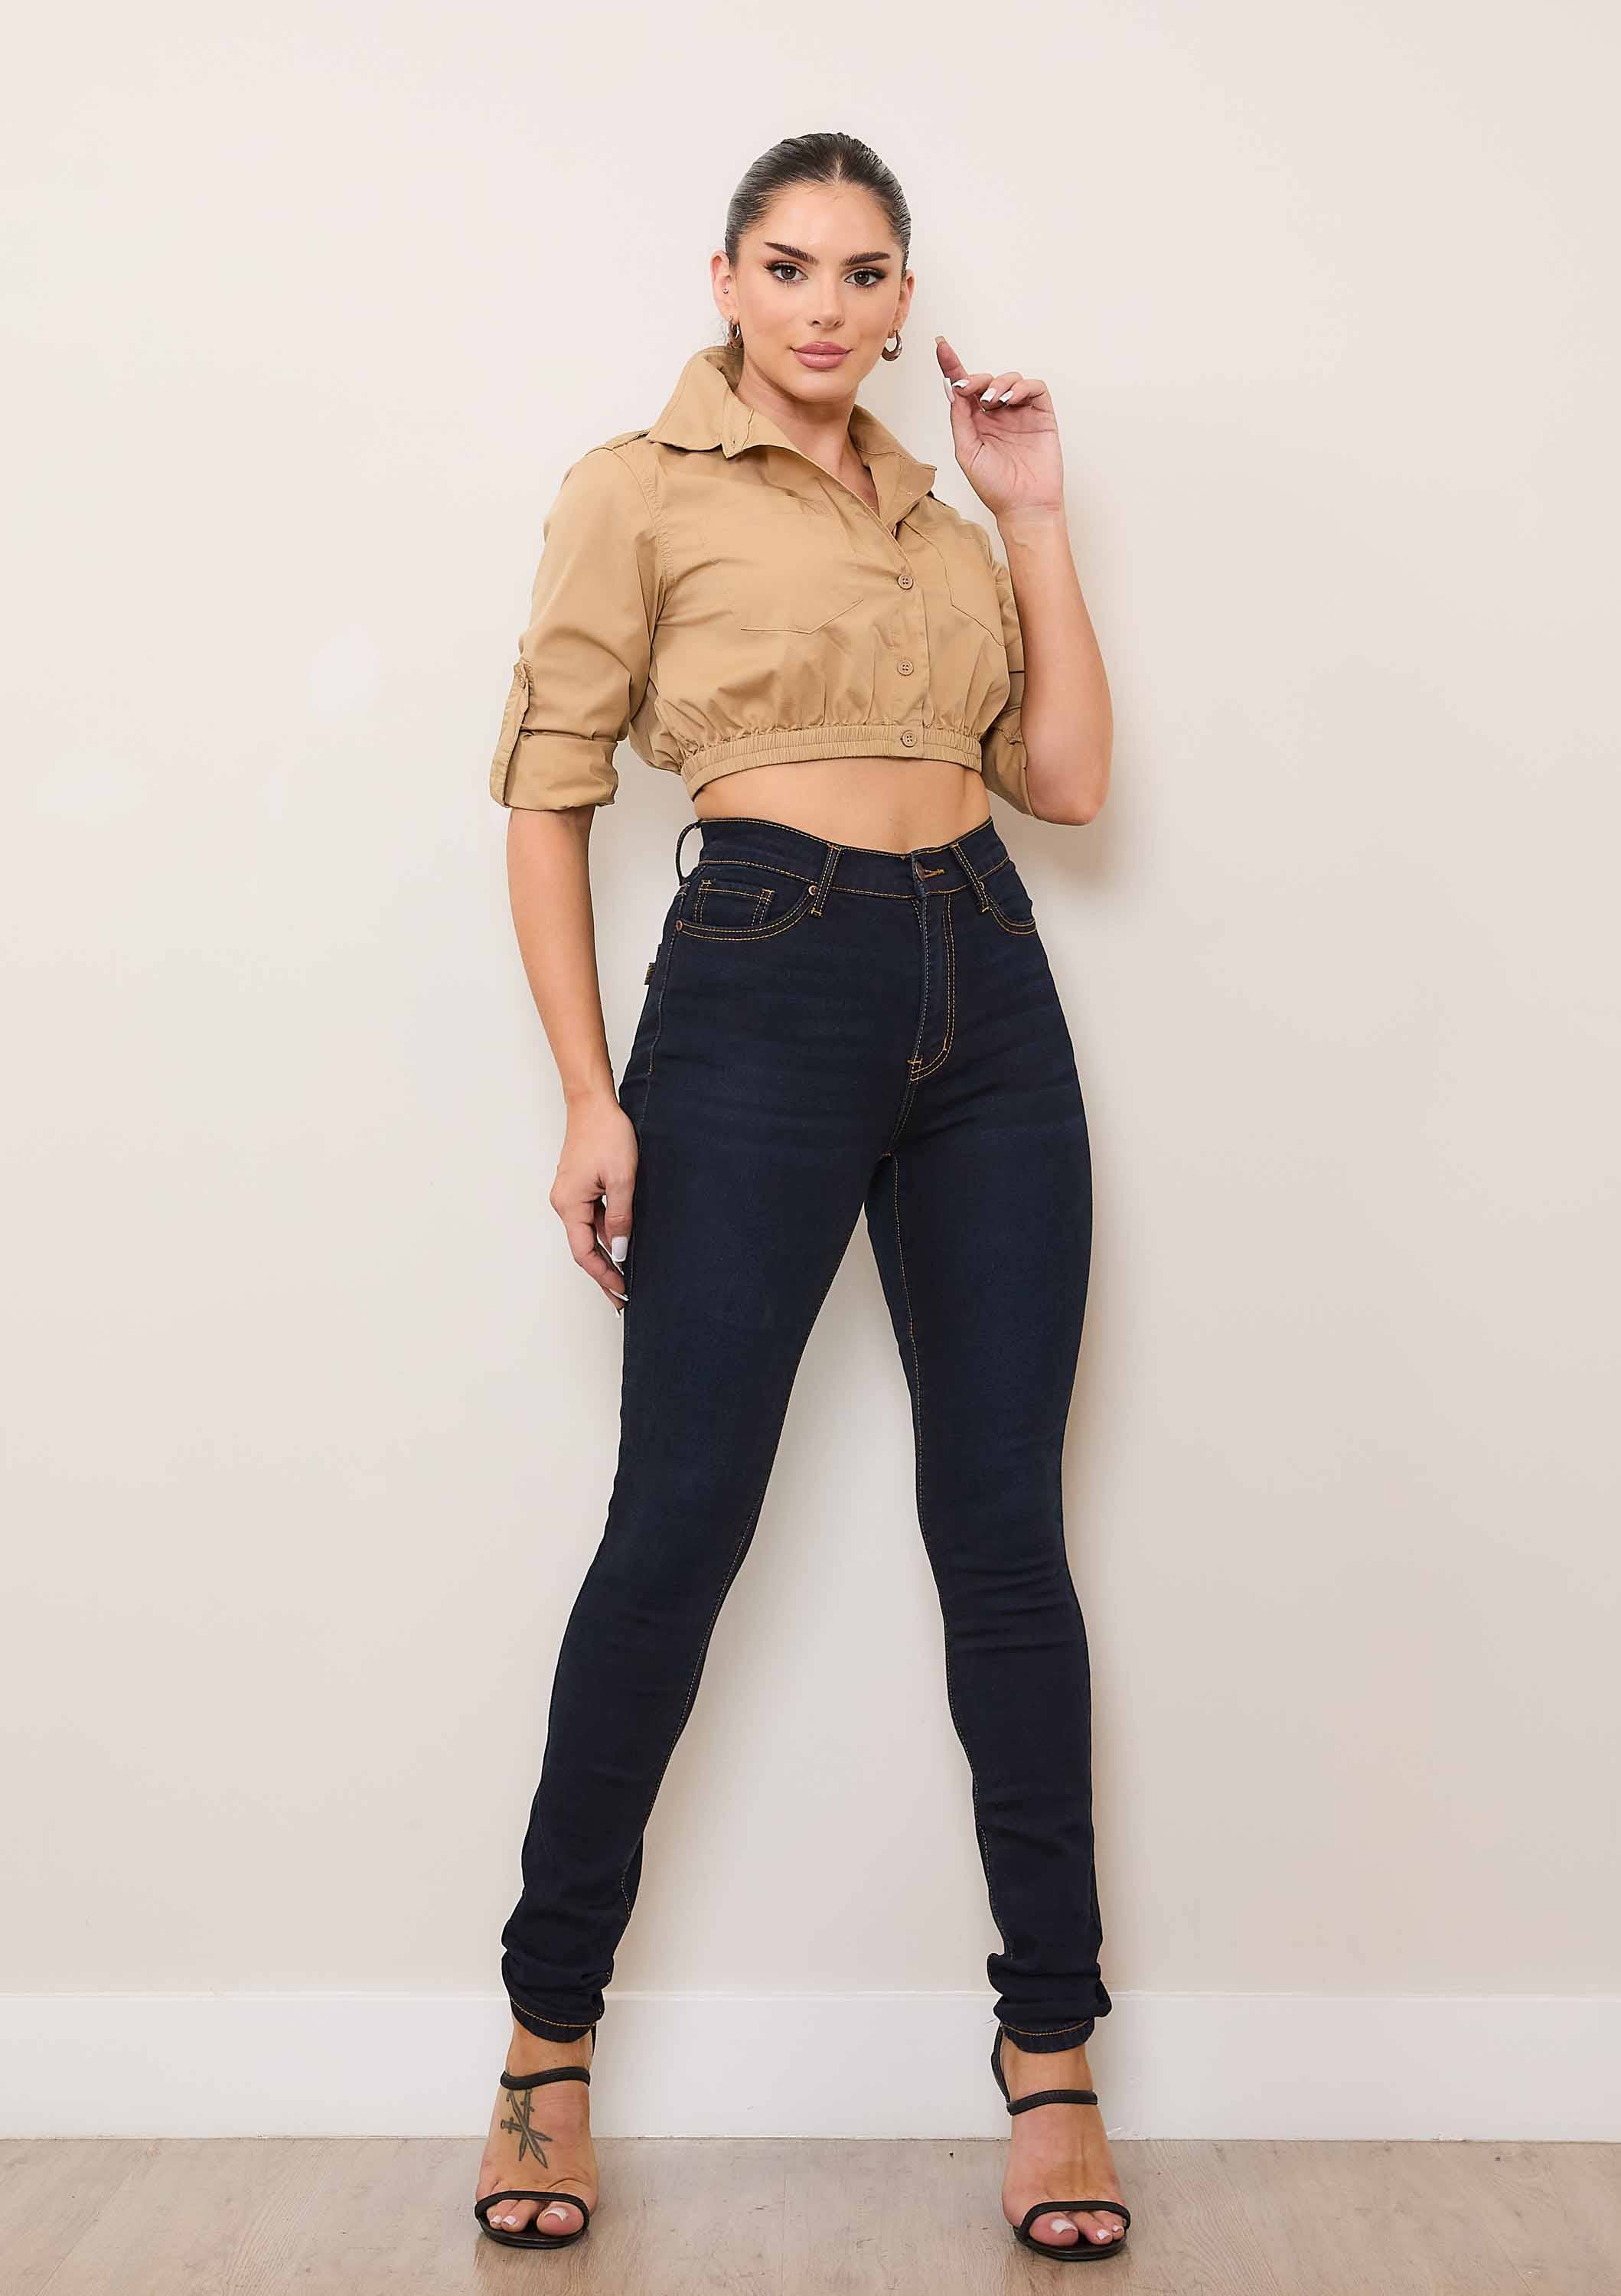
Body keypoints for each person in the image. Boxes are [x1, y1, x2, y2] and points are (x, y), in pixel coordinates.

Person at [473, 131, 1127, 2265]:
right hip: (760, 984)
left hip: (989, 987)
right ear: (728, 280)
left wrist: (1034, 515)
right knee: (679, 1524)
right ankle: (545, 2051)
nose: (825, 307)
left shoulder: (943, 517)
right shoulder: (637, 488)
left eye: (862, 273)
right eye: (788, 267)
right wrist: (592, 1094)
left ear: (903, 296)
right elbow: (547, 797)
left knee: (1005, 1539)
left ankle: (1053, 2067)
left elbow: (1067, 782)